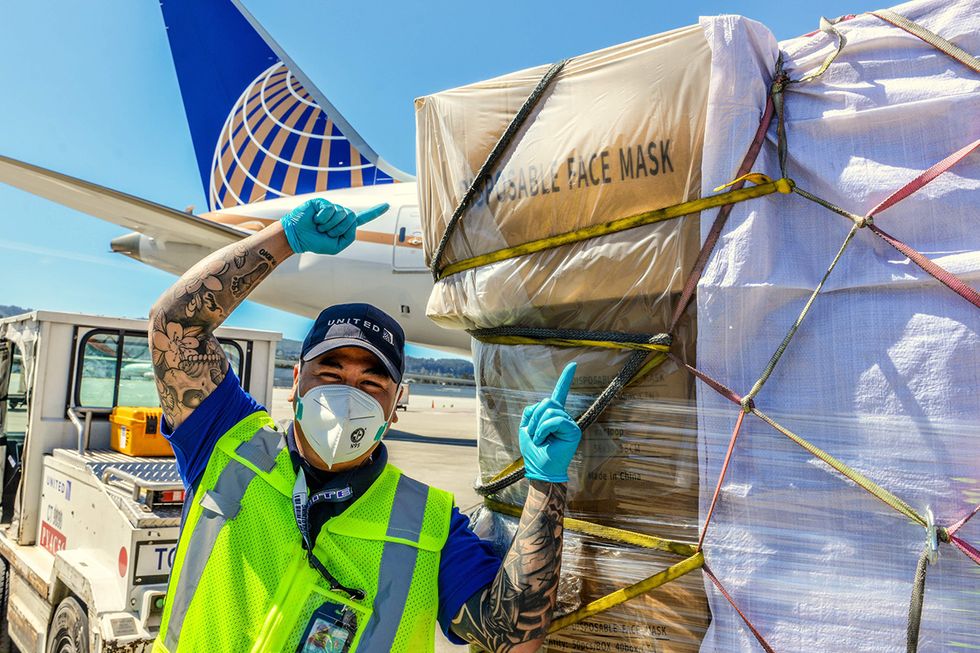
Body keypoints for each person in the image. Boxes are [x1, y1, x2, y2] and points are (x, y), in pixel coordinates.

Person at [148, 198, 583, 652]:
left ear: (397, 404)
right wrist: (283, 240)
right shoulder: (228, 443)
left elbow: (510, 637)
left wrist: (545, 485)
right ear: (297, 382)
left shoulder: (429, 523)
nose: (346, 395)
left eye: (371, 383)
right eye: (331, 374)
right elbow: (174, 327)